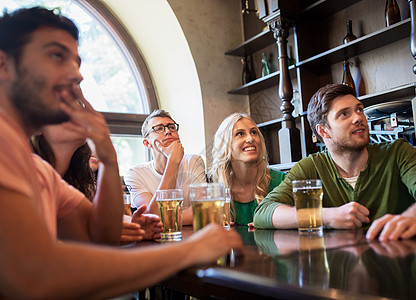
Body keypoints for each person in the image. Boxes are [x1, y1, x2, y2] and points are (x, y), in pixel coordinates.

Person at [0, 7, 242, 299]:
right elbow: (34, 277)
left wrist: (108, 157)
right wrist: (190, 250)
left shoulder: (37, 170)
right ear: (4, 66)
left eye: (77, 62)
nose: (77, 75)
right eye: (56, 56)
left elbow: (100, 235)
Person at [253, 83, 416, 241]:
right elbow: (263, 213)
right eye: (344, 114)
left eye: (359, 110)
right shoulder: (311, 167)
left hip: (404, 269)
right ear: (323, 131)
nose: (358, 118)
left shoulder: (397, 152)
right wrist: (327, 216)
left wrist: (412, 219)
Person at [31, 123, 163, 243]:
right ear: (39, 127)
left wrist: (135, 227)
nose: (77, 118)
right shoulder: (32, 171)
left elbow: (97, 224)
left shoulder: (64, 180)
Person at [124, 109, 206, 225]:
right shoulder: (134, 173)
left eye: (172, 127)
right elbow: (151, 215)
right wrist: (172, 161)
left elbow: (201, 210)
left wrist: (165, 219)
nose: (168, 131)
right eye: (158, 129)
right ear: (147, 143)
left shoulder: (193, 161)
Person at [209, 113, 285, 226]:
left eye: (254, 132)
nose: (250, 138)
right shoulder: (215, 194)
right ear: (225, 145)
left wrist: (272, 221)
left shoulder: (281, 181)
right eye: (240, 134)